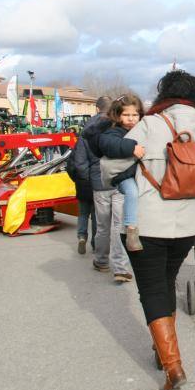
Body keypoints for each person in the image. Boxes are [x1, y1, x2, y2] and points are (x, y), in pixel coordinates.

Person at [101, 70, 195, 390]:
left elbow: (108, 166)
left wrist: (135, 160)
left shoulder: (149, 125)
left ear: (164, 94)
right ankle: (160, 349)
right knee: (166, 282)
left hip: (147, 224)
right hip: (188, 226)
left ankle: (173, 368)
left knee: (152, 289)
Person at [81, 96, 132, 282]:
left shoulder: (90, 128)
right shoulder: (124, 128)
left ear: (97, 109)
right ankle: (120, 267)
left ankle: (101, 261)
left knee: (102, 225)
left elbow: (80, 158)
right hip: (120, 179)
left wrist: (84, 180)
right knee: (119, 225)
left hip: (99, 181)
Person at [97, 94, 147, 252]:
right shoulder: (113, 132)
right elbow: (110, 144)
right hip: (124, 176)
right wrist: (132, 148)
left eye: (135, 115)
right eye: (126, 115)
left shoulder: (144, 130)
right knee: (132, 192)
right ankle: (131, 230)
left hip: (140, 175)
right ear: (118, 116)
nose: (131, 119)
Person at [67, 131, 96, 255]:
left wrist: (77, 179)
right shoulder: (100, 142)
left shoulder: (79, 145)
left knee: (83, 213)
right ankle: (95, 242)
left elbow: (70, 166)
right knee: (96, 216)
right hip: (97, 183)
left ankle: (82, 236)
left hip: (82, 184)